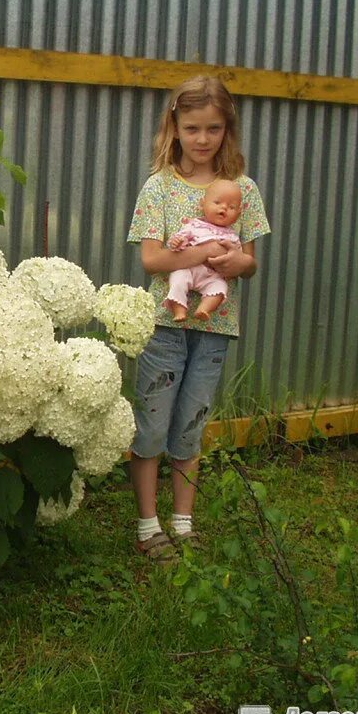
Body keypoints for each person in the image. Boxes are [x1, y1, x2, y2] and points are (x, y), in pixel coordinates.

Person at [126, 75, 271, 564]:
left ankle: (184, 525)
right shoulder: (159, 188)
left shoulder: (242, 189)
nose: (203, 139)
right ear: (175, 127)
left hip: (215, 329)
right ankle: (149, 525)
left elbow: (250, 261)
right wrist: (204, 251)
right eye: (193, 128)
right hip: (165, 326)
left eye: (213, 128)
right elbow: (150, 261)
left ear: (226, 130)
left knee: (190, 425)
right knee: (151, 424)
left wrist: (236, 264)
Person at [163, 179, 244, 322]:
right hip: (189, 269)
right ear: (203, 204)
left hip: (212, 276)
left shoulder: (233, 236)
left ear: (238, 214)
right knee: (177, 280)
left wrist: (234, 262)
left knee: (220, 288)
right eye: (217, 203)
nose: (223, 208)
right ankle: (179, 310)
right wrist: (177, 242)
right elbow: (180, 241)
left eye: (231, 207)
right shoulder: (194, 225)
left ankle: (204, 309)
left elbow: (237, 258)